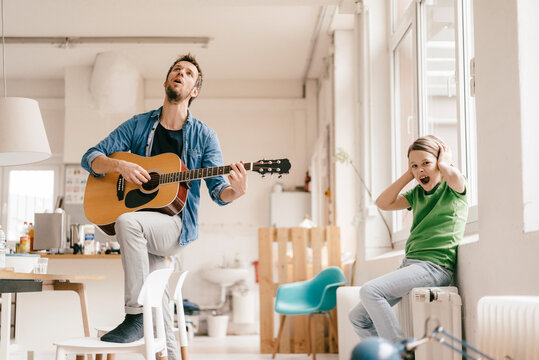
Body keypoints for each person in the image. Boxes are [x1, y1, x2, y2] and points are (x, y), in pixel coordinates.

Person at [81, 53, 247, 359]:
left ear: (194, 90)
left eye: (188, 73)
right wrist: (120, 166)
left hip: (175, 227)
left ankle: (135, 315)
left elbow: (218, 191)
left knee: (128, 222)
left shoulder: (204, 135)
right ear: (167, 79)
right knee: (160, 310)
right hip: (146, 234)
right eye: (176, 69)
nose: (180, 74)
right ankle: (159, 336)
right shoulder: (139, 124)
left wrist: (234, 192)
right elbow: (91, 156)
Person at [348, 135, 468, 343]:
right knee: (357, 318)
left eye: (426, 163)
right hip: (410, 266)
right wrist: (409, 174)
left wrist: (443, 163)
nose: (420, 170)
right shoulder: (416, 194)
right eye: (414, 165)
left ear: (440, 163)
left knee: (370, 291)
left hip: (434, 267)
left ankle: (400, 354)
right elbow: (383, 203)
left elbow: (453, 176)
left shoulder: (453, 189)